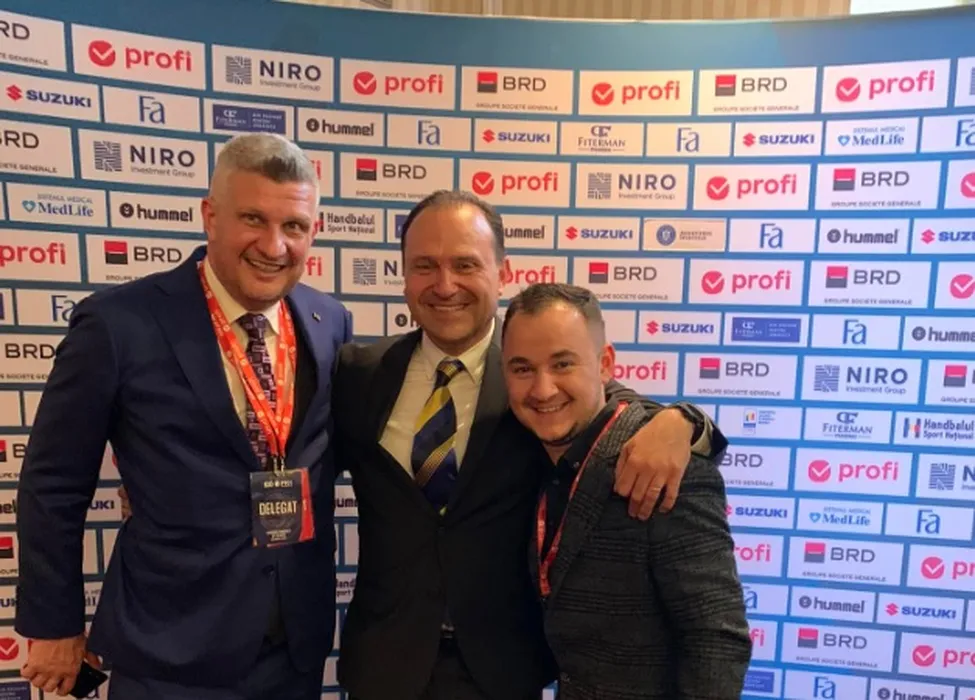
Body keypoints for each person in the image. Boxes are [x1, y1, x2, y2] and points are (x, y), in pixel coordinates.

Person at [333, 190, 729, 700]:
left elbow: (609, 406)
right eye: (425, 265)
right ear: (404, 275)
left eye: (465, 264)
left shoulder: (532, 376)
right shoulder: (360, 373)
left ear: (502, 273)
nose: (445, 285)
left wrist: (686, 422)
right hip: (382, 667)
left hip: (503, 670)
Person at [14, 133, 350, 699]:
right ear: (210, 217)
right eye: (253, 219)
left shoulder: (328, 320)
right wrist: (54, 625)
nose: (274, 245)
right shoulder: (118, 324)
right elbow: (53, 482)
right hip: (170, 647)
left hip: (292, 642)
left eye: (293, 226)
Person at [501, 282, 752, 700]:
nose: (543, 389)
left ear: (605, 364)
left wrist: (684, 421)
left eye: (563, 364)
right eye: (523, 369)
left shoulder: (665, 464)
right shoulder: (532, 447)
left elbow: (716, 639)